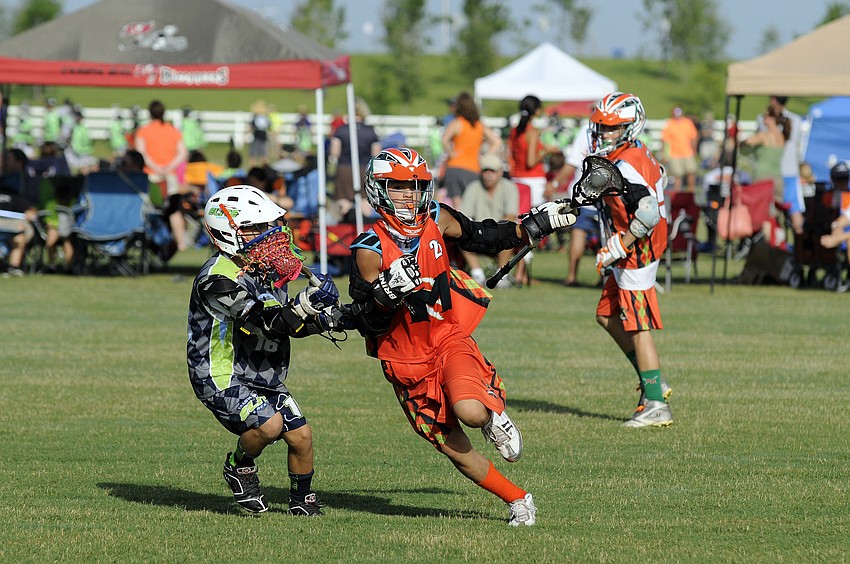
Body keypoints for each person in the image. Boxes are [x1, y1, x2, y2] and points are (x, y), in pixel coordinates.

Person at [345, 148, 577, 526]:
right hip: (406, 360)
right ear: (378, 190)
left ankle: (492, 416)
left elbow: (482, 235)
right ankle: (519, 499)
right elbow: (365, 320)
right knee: (455, 449)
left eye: (416, 186)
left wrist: (535, 223)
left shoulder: (436, 217)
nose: (409, 195)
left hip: (447, 335)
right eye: (398, 187)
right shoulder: (369, 250)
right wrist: (386, 294)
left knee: (470, 411)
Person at [188, 184, 346, 515]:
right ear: (227, 231)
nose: (264, 235)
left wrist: (334, 317)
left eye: (265, 227)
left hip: (260, 371)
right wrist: (304, 303)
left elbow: (289, 324)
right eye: (253, 228)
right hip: (220, 373)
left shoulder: (262, 271)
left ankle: (302, 501)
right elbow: (265, 322)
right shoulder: (217, 278)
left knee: (302, 435)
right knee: (270, 426)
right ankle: (239, 465)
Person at [589, 92, 673, 428]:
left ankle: (655, 402)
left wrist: (619, 245)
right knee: (606, 314)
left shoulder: (626, 163)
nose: (603, 133)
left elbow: (648, 212)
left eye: (611, 128)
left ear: (629, 126)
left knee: (638, 327)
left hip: (639, 250)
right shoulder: (633, 152)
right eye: (601, 126)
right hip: (638, 245)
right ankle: (651, 378)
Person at [545, 116, 601, 287]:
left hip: (584, 192)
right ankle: (604, 278)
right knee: (604, 238)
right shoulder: (614, 131)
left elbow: (572, 163)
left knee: (579, 233)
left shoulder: (586, 129)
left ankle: (571, 276)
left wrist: (554, 183)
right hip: (606, 193)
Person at [134, 100, 189, 251]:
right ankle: (181, 243)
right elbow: (182, 152)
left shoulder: (144, 131)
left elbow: (141, 153)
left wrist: (155, 167)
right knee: (174, 210)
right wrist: (169, 167)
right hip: (169, 175)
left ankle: (148, 241)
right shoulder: (172, 130)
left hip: (150, 176)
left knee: (146, 209)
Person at [458, 153, 519, 286]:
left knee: (508, 233)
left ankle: (501, 275)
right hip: (479, 233)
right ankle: (477, 273)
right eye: (486, 170)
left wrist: (493, 231)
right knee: (460, 232)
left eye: (492, 171)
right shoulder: (473, 187)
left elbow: (511, 215)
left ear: (500, 172)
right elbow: (463, 215)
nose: (489, 174)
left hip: (500, 232)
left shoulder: (509, 187)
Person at [441, 91, 502, 208]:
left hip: (454, 167)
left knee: (457, 207)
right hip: (473, 168)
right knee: (471, 205)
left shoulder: (457, 123)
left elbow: (445, 139)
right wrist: (485, 157)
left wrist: (451, 153)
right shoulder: (478, 125)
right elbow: (497, 142)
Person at [328, 97, 381, 223]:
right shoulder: (370, 131)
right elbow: (376, 154)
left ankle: (345, 233)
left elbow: (334, 153)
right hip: (364, 169)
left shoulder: (341, 130)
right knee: (364, 202)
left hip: (345, 168)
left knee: (344, 202)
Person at [508, 95, 561, 209]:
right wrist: (545, 151)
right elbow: (531, 162)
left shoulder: (513, 131)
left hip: (516, 179)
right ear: (537, 111)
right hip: (533, 181)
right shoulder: (532, 131)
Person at [768, 96, 805, 236]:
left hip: (777, 170)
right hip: (789, 170)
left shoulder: (767, 120)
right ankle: (799, 244)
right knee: (794, 209)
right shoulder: (796, 119)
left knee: (774, 211)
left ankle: (777, 243)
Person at [660, 106, 699, 193]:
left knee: (691, 173)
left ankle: (690, 194)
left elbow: (694, 137)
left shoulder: (688, 123)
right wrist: (665, 155)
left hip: (688, 152)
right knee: (677, 176)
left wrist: (694, 149)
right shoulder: (669, 124)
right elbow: (665, 141)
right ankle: (677, 196)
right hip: (675, 154)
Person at [248, 101, 271, 168]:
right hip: (264, 137)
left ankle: (252, 169)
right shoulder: (266, 118)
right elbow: (269, 127)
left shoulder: (255, 118)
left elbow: (251, 127)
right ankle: (265, 169)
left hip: (256, 137)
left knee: (252, 156)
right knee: (264, 155)